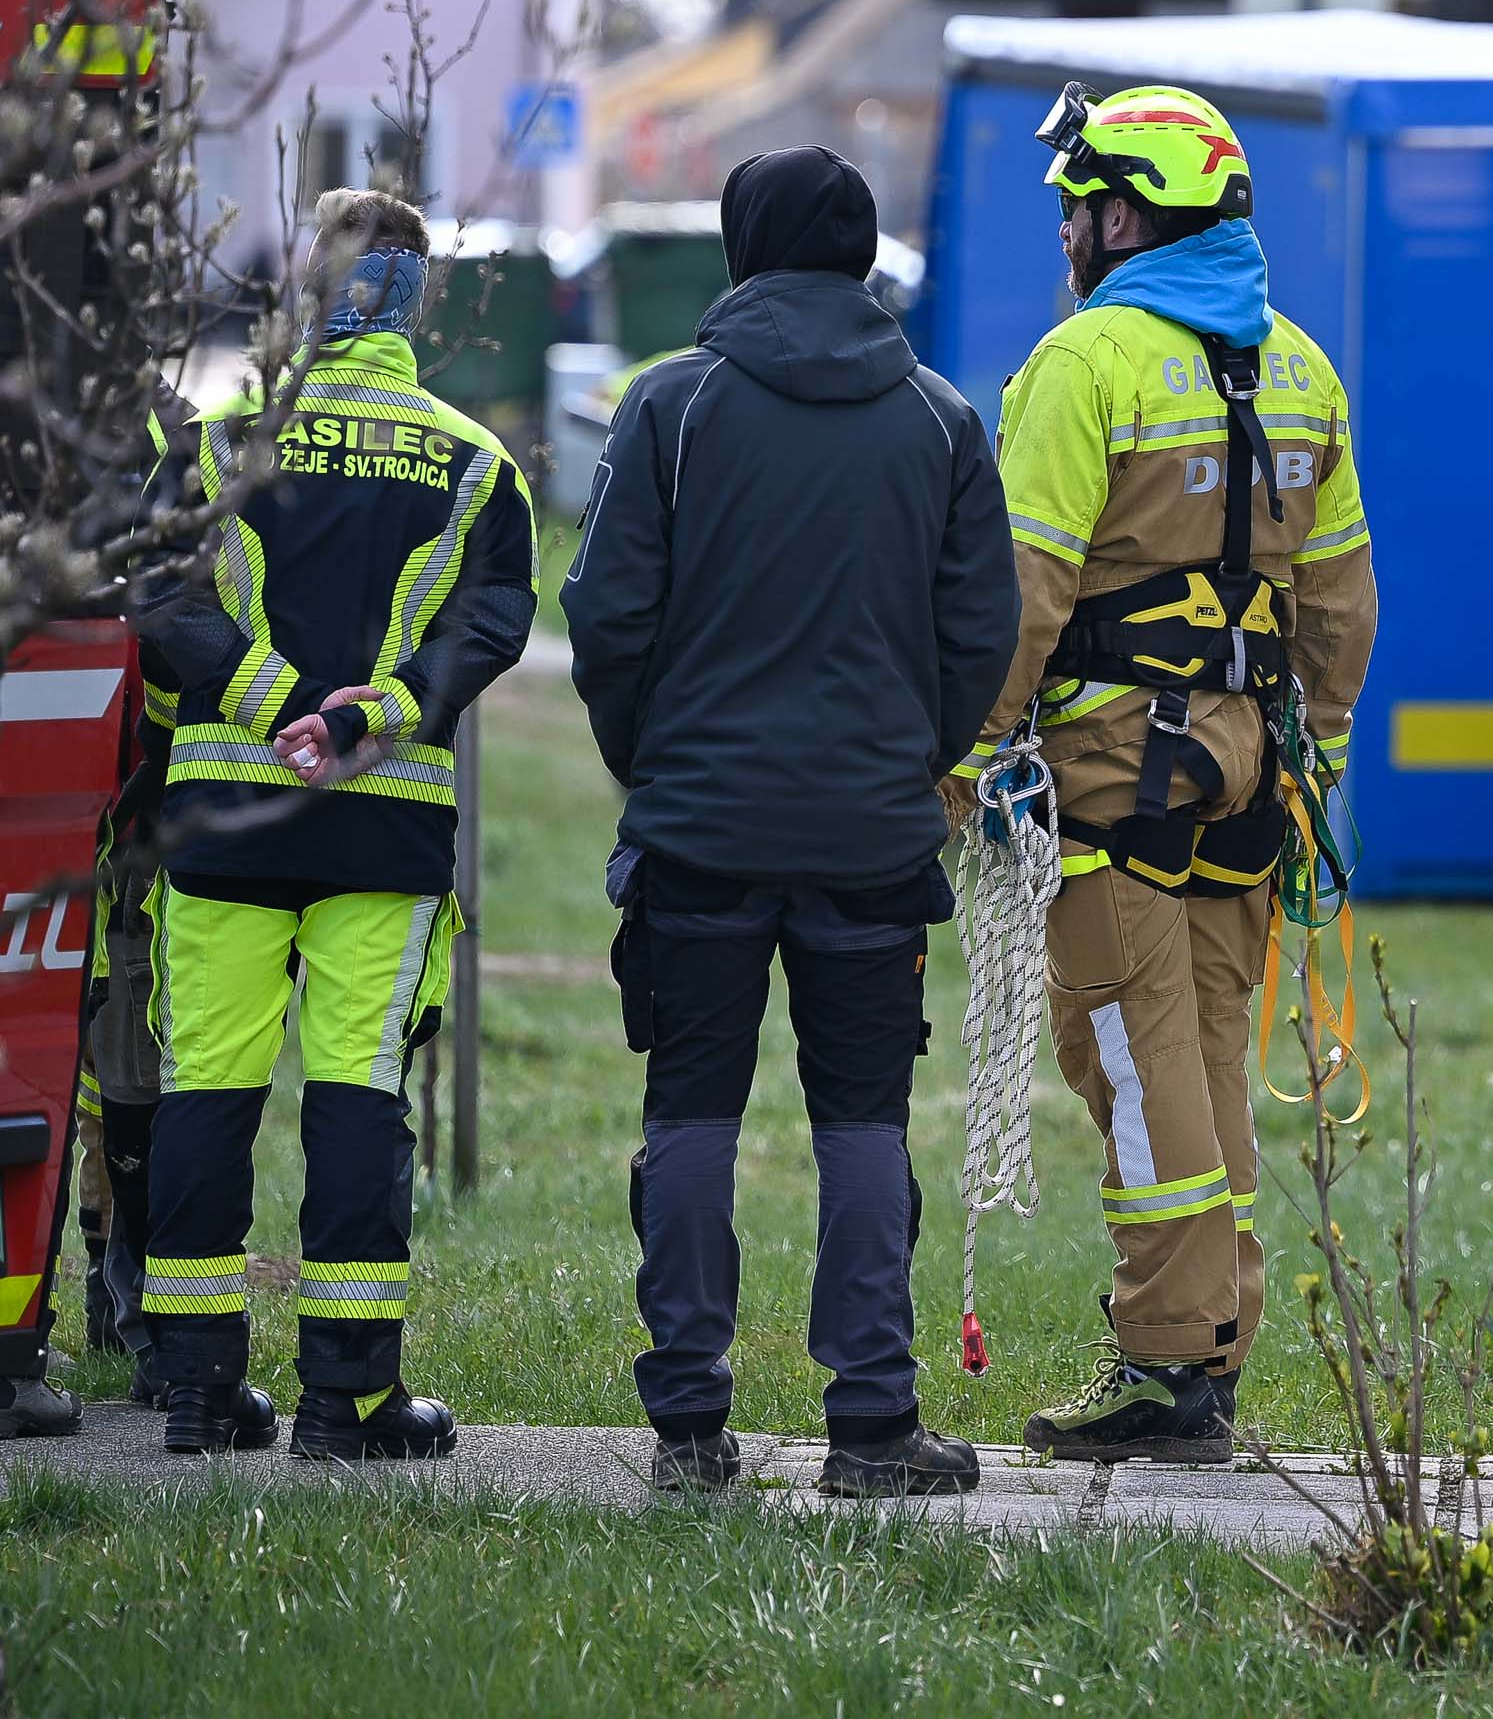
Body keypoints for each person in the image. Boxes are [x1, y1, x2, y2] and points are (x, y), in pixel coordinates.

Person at [565, 146, 1016, 1498]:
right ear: (864, 256)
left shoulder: (672, 406)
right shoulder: (940, 418)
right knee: (864, 1125)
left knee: (690, 1112)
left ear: (740, 245)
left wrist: (650, 760)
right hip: (872, 837)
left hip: (698, 829)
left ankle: (689, 1428)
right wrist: (912, 758)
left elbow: (604, 616)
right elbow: (981, 630)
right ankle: (873, 1427)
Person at [970, 84, 1376, 1463]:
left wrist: (970, 757)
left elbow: (1023, 588)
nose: (1068, 230)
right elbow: (1341, 603)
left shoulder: (1084, 363)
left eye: (1080, 205)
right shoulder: (1302, 369)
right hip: (1250, 775)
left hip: (1108, 774)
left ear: (1130, 217)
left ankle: (1168, 1367)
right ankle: (1212, 1344)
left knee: (1137, 1067)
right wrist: (1315, 754)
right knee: (1199, 1053)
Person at [130, 189, 534, 1462]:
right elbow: (491, 625)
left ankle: (196, 1388)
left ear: (310, 287)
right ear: (420, 300)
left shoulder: (219, 441)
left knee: (207, 1089)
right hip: (383, 828)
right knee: (359, 1095)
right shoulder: (475, 463)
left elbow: (158, 594)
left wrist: (271, 701)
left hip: (225, 818)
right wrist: (369, 715)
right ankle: (345, 1403)